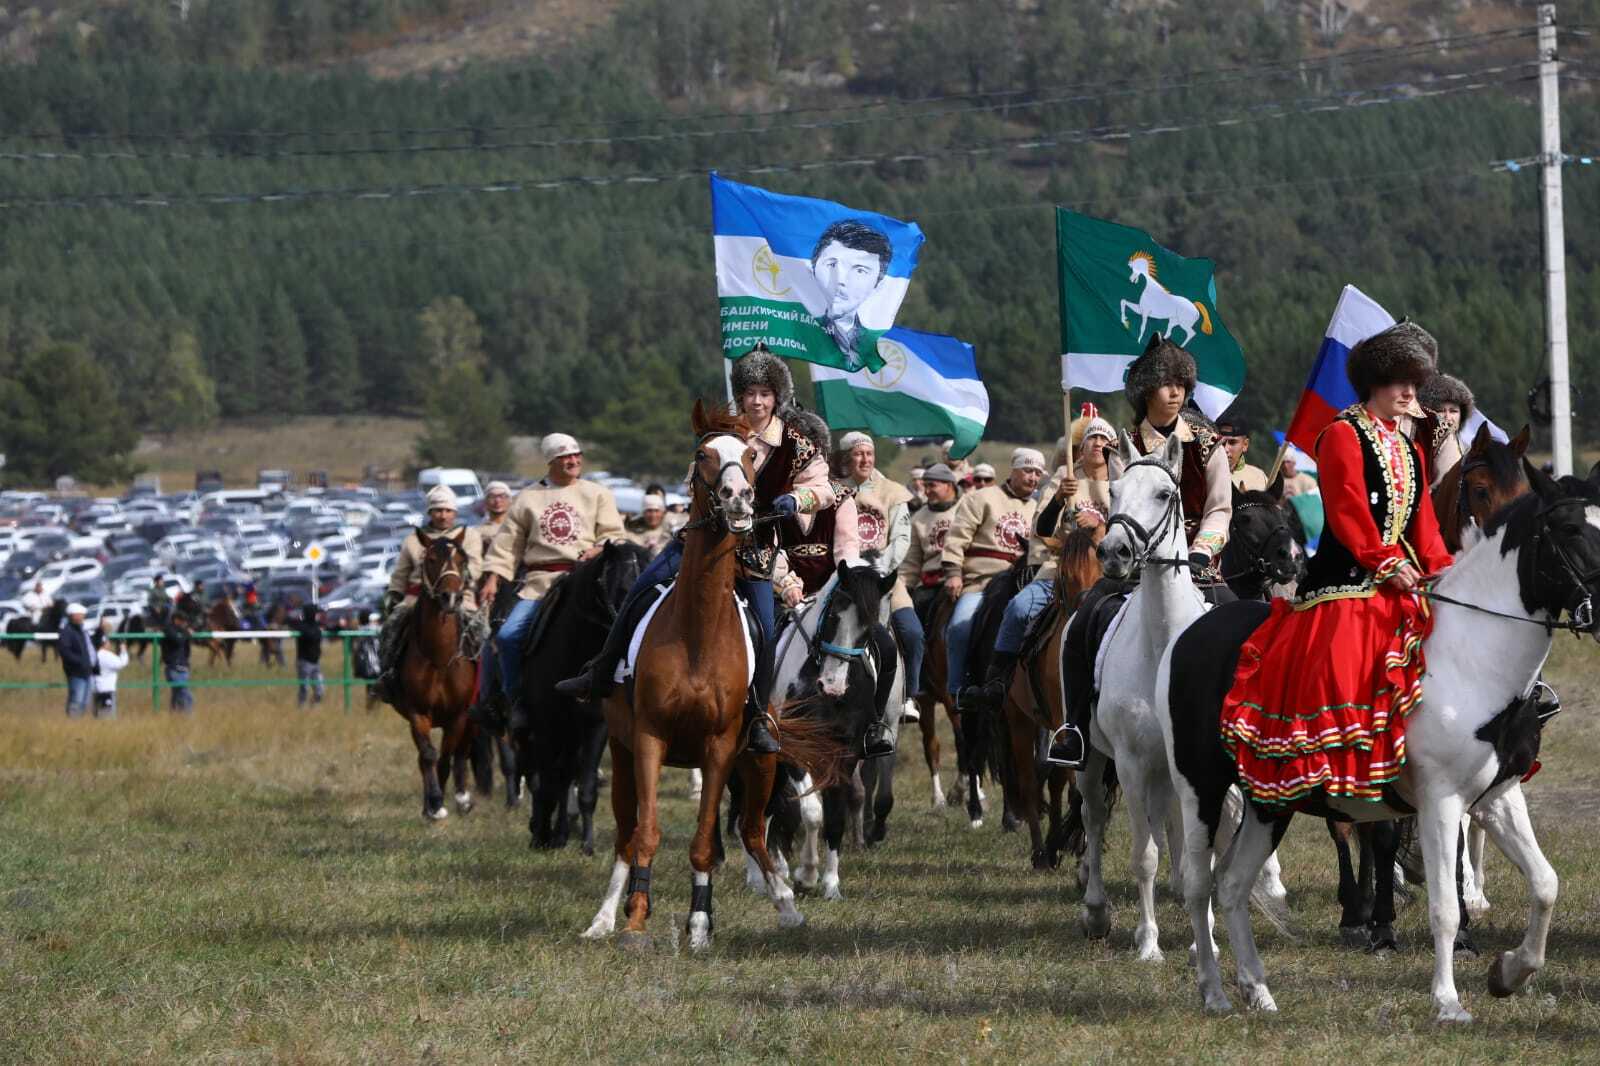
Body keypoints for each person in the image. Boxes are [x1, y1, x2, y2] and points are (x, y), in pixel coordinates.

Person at [556, 345, 837, 755]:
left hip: (757, 552)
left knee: (765, 628)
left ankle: (759, 716)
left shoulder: (797, 442)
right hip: (700, 544)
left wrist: (798, 501)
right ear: (739, 396)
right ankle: (600, 671)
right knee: (641, 591)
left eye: (765, 393)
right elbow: (694, 480)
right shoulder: (722, 436)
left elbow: (825, 488)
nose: (756, 401)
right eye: (749, 393)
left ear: (777, 397)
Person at [1219, 320, 1453, 808]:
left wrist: (1445, 569)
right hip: (1348, 578)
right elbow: (1348, 511)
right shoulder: (1341, 435)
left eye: (1415, 383)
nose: (1409, 392)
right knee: (1349, 648)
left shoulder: (1409, 447)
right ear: (1374, 384)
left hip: (1404, 575)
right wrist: (1384, 562)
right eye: (1398, 382)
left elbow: (1424, 523)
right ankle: (1344, 772)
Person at [1049, 334, 1235, 768]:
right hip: (1133, 566)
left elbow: (1220, 508)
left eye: (1182, 385)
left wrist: (1201, 552)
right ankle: (1074, 728)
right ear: (1145, 391)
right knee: (1082, 623)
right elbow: (1120, 509)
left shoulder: (1208, 444)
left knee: (1249, 623)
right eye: (1166, 384)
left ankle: (1255, 727)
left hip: (1198, 566)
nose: (1176, 394)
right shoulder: (1123, 447)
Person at [974, 414, 1117, 711]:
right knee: (1018, 608)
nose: (1098, 444)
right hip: (1061, 566)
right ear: (1083, 444)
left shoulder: (1124, 480)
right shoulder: (1066, 476)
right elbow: (1041, 528)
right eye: (1093, 437)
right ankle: (998, 681)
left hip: (1111, 571)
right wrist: (1057, 500)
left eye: (1105, 439)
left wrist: (1100, 524)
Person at [482, 433, 624, 726]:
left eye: (576, 455)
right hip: (540, 582)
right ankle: (516, 698)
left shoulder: (598, 493)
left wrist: (598, 548)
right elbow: (508, 544)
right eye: (565, 457)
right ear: (551, 462)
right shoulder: (528, 498)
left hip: (586, 580)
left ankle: (624, 696)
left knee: (624, 630)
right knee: (508, 637)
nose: (573, 461)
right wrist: (493, 578)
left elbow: (614, 534)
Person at [940, 448, 1045, 711]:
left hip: (1026, 586)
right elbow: (957, 537)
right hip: (981, 583)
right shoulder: (982, 498)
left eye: (1038, 473)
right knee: (959, 626)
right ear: (1014, 469)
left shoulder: (1041, 508)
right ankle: (958, 689)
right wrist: (953, 573)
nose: (1033, 478)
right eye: (1028, 470)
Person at [838, 431, 923, 734]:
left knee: (912, 632)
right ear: (847, 458)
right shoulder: (834, 490)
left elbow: (901, 538)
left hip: (884, 579)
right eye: (858, 454)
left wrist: (877, 570)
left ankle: (907, 698)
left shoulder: (893, 492)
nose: (864, 460)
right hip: (842, 579)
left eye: (869, 454)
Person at [374, 485, 479, 704]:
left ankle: (486, 686)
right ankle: (387, 676)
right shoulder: (414, 540)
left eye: (448, 510)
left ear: (455, 513)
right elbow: (401, 572)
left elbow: (476, 567)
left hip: (459, 596)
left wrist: (460, 583)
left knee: (483, 632)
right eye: (438, 510)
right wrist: (394, 595)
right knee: (390, 628)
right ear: (429, 513)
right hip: (415, 598)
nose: (443, 515)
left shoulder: (469, 537)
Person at [810, 220, 893, 370]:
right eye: (832, 265)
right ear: (813, 269)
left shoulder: (881, 345)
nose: (840, 279)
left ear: (877, 284)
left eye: (859, 271)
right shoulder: (797, 329)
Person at [898, 462, 961, 637]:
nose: (926, 491)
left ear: (949, 485)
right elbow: (911, 562)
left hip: (962, 578)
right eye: (925, 486)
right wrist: (902, 589)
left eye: (932, 485)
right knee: (915, 622)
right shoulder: (918, 518)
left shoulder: (966, 509)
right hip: (931, 584)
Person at [1419, 371, 1476, 488]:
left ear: (1462, 416)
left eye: (1453, 411)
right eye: (1440, 410)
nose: (1447, 417)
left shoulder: (1468, 448)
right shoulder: (1422, 443)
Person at [57, 602, 94, 718]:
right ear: (73, 616)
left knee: (84, 702)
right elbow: (65, 652)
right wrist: (80, 662)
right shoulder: (67, 632)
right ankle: (73, 723)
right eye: (81, 614)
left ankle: (78, 724)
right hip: (76, 672)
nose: (83, 617)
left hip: (86, 671)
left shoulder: (80, 631)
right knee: (76, 701)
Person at [1218, 415, 1269, 492]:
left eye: (1232, 442)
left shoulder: (1259, 478)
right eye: (1220, 442)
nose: (1225, 449)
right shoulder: (1201, 471)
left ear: (1245, 445)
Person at [92, 618, 129, 720]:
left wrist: (101, 626)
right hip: (106, 690)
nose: (109, 643)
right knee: (107, 717)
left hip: (96, 689)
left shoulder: (93, 654)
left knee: (97, 714)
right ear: (104, 643)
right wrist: (123, 651)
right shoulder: (106, 655)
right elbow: (122, 663)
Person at [161, 611, 194, 713]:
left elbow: (186, 647)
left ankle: (174, 717)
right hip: (173, 667)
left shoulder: (182, 631)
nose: (185, 623)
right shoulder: (168, 629)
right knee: (186, 696)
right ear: (176, 620)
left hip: (182, 666)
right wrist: (187, 633)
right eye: (183, 621)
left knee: (177, 694)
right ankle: (188, 719)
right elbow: (178, 640)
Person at [625, 494, 675, 558]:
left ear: (663, 513)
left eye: (656, 511)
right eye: (649, 511)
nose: (653, 515)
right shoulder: (632, 534)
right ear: (643, 513)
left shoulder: (671, 533)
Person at [294, 603, 325, 707]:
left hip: (315, 662)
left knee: (320, 689)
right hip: (304, 662)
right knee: (304, 689)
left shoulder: (316, 626)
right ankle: (301, 709)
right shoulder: (302, 626)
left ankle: (314, 708)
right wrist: (318, 632)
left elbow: (329, 628)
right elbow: (310, 635)